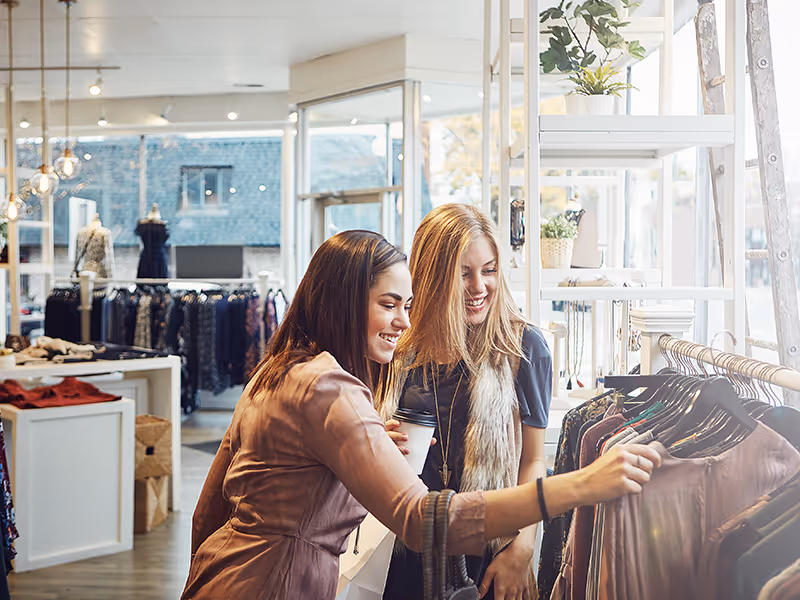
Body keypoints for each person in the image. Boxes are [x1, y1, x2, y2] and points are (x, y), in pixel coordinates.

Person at [182, 230, 661, 600]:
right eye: (389, 305)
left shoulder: (280, 369)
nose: (404, 321)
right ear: (343, 305)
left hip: (224, 574)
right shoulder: (331, 386)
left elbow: (210, 510)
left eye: (406, 305)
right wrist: (582, 485)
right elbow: (419, 517)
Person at [377, 203, 551, 600]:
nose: (480, 287)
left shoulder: (522, 348)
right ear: (432, 276)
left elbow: (533, 460)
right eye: (463, 273)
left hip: (490, 555)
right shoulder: (398, 350)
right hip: (403, 553)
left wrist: (522, 549)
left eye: (489, 270)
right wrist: (377, 439)